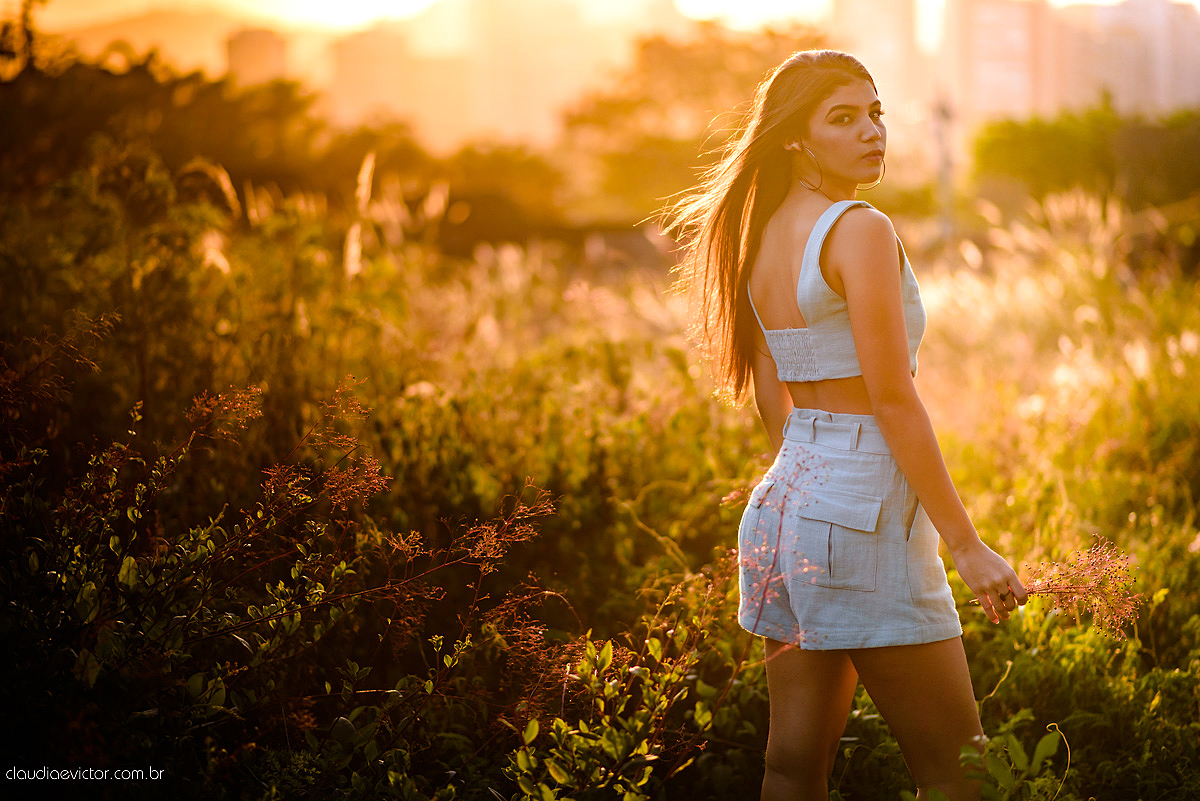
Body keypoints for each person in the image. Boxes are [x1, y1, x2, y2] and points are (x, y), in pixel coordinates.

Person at [666, 50, 1028, 800]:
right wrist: (967, 545)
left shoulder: (759, 233)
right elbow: (893, 399)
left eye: (876, 113)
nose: (872, 131)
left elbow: (773, 386)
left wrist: (813, 483)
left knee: (791, 763)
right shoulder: (859, 227)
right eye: (843, 118)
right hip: (859, 508)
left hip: (788, 497)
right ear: (794, 137)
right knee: (963, 769)